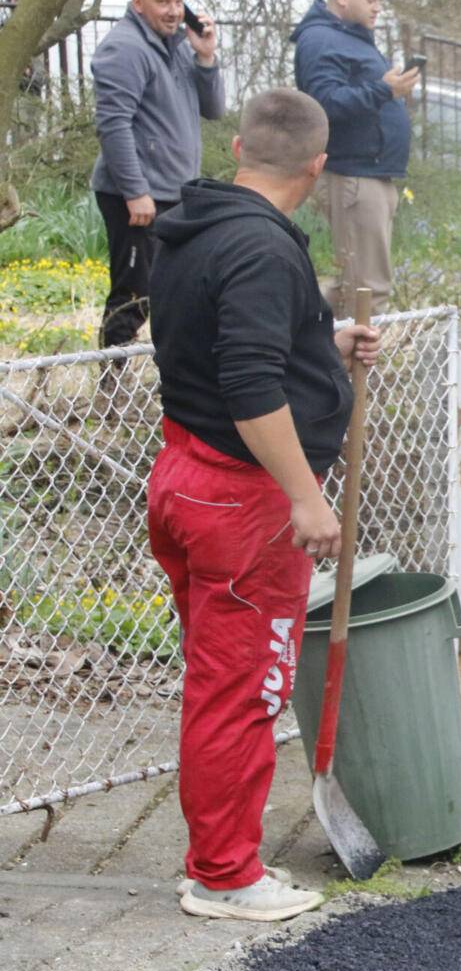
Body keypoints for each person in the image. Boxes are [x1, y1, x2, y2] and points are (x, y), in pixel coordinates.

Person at [147, 89, 381, 922]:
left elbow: (220, 346)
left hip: (186, 476)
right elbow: (248, 388)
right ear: (318, 169)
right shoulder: (261, 251)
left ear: (241, 145)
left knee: (222, 680)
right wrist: (305, 498)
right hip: (244, 504)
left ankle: (219, 860)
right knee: (241, 688)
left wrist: (322, 344)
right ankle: (224, 876)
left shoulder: (193, 225)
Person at [89, 0, 224, 354]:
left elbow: (214, 109)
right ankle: (111, 389)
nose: (174, 11)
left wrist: (206, 57)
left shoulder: (180, 45)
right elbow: (113, 125)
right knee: (135, 294)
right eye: (163, 2)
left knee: (175, 287)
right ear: (138, 4)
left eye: (179, 2)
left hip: (175, 190)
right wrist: (135, 191)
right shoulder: (124, 49)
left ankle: (170, 375)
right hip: (137, 196)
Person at [292, 0, 417, 318]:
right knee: (366, 292)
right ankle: (353, 374)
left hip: (373, 174)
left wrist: (386, 91)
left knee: (354, 287)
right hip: (354, 177)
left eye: (380, 1)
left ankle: (304, 353)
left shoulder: (351, 38)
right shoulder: (320, 39)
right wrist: (382, 90)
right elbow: (323, 103)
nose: (377, 7)